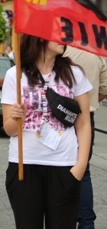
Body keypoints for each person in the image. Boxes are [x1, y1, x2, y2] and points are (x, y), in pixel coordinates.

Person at [2, 35, 91, 229]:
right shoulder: (15, 75)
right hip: (24, 166)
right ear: (40, 38)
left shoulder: (74, 74)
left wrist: (80, 166)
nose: (64, 38)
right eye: (58, 34)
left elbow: (83, 123)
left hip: (64, 166)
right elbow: (9, 129)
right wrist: (17, 117)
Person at [63, 47, 107, 229]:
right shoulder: (98, 52)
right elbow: (104, 89)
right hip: (87, 116)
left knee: (59, 169)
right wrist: (87, 101)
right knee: (84, 172)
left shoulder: (61, 50)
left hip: (61, 116)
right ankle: (87, 222)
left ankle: (63, 219)